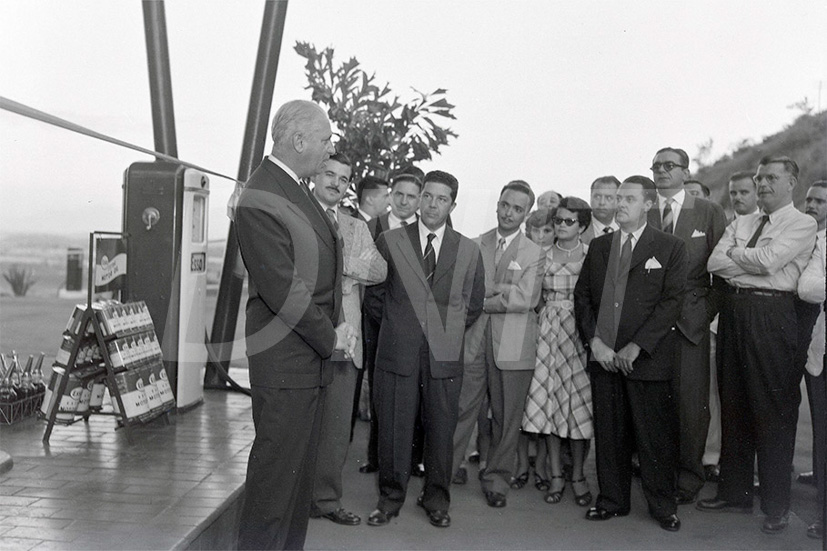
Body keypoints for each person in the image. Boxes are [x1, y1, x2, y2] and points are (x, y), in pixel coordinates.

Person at [235, 100, 357, 550]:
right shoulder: (262, 196)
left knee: (295, 486)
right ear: (299, 140)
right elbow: (283, 287)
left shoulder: (294, 187)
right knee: (273, 489)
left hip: (304, 360)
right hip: (287, 361)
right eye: (325, 139)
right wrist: (331, 336)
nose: (329, 148)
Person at [702, 156, 816, 535]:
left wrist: (739, 256)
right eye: (759, 177)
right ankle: (735, 494)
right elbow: (715, 263)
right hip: (735, 313)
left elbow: (769, 263)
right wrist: (742, 259)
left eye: (770, 178)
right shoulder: (742, 221)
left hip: (772, 315)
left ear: (791, 184)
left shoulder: (802, 223)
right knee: (733, 402)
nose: (762, 184)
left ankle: (776, 505)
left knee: (772, 409)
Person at [367, 170, 485, 528]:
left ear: (452, 204)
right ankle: (389, 499)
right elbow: (374, 298)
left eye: (441, 199)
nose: (433, 204)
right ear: (419, 199)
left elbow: (473, 303)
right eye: (428, 196)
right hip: (398, 353)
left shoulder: (467, 249)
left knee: (440, 430)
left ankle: (436, 500)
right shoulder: (390, 240)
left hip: (444, 357)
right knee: (394, 429)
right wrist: (403, 328)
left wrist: (439, 333)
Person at [574, 175, 688, 532]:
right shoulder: (600, 247)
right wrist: (595, 342)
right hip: (605, 357)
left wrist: (637, 346)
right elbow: (583, 298)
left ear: (648, 204)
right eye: (617, 198)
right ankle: (611, 500)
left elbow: (672, 303)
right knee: (609, 434)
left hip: (647, 359)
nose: (619, 204)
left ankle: (662, 506)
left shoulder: (670, 247)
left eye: (628, 199)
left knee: (654, 436)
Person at [452, 180, 544, 508]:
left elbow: (526, 297)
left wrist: (487, 293)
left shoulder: (535, 252)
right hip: (474, 338)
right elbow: (465, 290)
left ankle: (497, 480)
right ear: (498, 204)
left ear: (526, 213)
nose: (509, 212)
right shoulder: (475, 244)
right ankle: (448, 470)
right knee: (462, 407)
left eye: (518, 208)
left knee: (507, 416)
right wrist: (496, 290)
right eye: (505, 204)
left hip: (514, 344)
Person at [309, 152, 387, 527]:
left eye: (344, 179)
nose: (336, 183)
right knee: (297, 425)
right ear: (314, 174)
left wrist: (341, 263)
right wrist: (346, 268)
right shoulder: (296, 215)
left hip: (347, 341)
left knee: (338, 427)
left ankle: (325, 500)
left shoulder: (355, 226)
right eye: (329, 174)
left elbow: (379, 269)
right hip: (304, 337)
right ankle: (292, 501)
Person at [648, 147, 726, 505]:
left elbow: (721, 271)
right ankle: (656, 473)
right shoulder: (645, 211)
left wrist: (703, 311)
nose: (662, 171)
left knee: (691, 405)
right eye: (656, 166)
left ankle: (689, 477)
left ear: (685, 171)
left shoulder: (707, 211)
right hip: (649, 323)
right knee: (654, 404)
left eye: (669, 166)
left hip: (690, 323)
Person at [523, 196, 594, 508]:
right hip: (548, 334)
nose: (562, 226)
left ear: (582, 226)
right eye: (559, 220)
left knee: (578, 406)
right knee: (550, 403)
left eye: (569, 221)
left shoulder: (592, 255)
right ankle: (555, 474)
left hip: (580, 334)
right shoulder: (541, 255)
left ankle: (578, 475)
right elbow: (533, 294)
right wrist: (546, 315)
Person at [359, 171, 423, 475]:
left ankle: (413, 458)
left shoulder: (428, 231)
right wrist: (387, 321)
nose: (405, 201)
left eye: (412, 196)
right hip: (380, 323)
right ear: (390, 196)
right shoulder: (374, 227)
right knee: (381, 391)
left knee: (416, 391)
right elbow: (370, 282)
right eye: (399, 194)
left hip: (418, 328)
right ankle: (377, 456)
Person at [703, 170, 761, 481]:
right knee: (720, 396)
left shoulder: (770, 225)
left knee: (754, 396)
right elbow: (716, 265)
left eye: (744, 192)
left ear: (757, 193)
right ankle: (716, 458)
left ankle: (753, 467)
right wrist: (751, 265)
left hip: (757, 320)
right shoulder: (729, 226)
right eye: (733, 193)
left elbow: (770, 265)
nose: (738, 198)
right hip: (722, 322)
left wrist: (739, 265)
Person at [797, 181, 827, 540]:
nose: (813, 205)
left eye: (820, 201)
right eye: (810, 200)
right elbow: (806, 288)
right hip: (817, 344)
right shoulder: (816, 243)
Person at [581, 176, 620, 244]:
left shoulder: (628, 230)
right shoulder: (578, 229)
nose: (602, 202)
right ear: (590, 197)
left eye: (608, 198)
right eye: (597, 196)